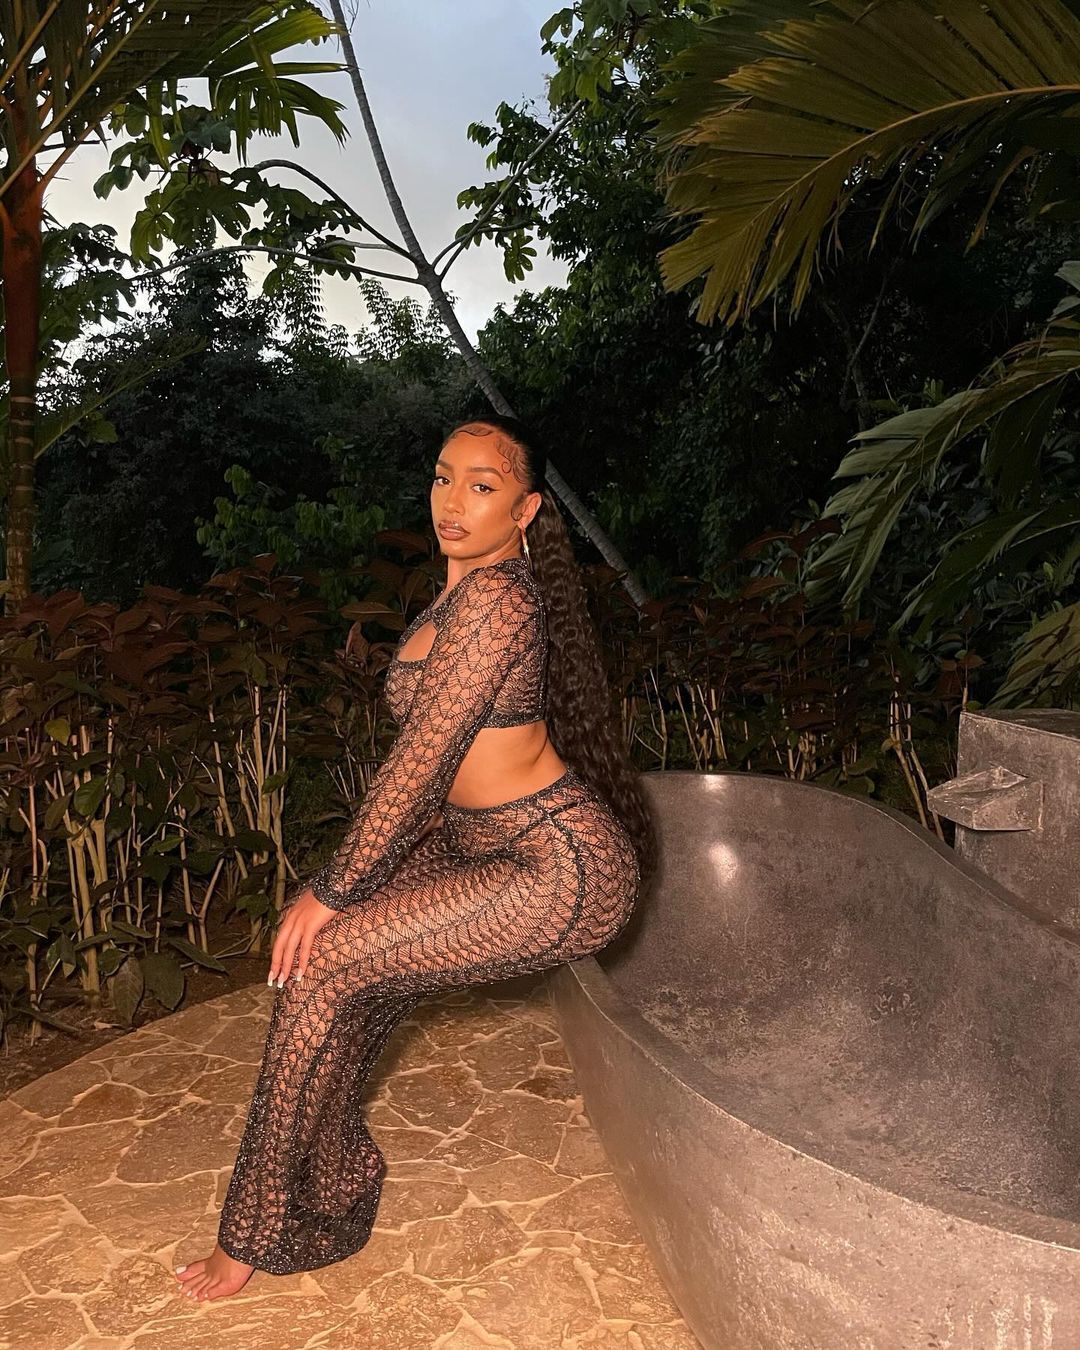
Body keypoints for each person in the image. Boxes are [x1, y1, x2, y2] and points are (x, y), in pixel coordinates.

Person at [174, 414, 657, 1301]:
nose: (452, 500)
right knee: (331, 969)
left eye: (482, 485)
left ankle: (253, 1231)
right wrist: (360, 886)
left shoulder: (502, 602)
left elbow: (420, 764)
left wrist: (336, 887)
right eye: (442, 477)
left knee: (326, 961)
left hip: (556, 866)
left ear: (526, 510)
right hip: (476, 846)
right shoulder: (455, 599)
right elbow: (439, 781)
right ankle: (336, 1175)